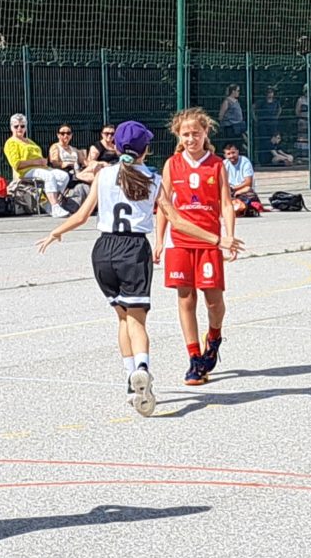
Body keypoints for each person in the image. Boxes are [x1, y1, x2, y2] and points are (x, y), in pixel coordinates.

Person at [35, 122, 240, 416]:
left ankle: (131, 378)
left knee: (122, 318)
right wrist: (217, 239)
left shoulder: (103, 175)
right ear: (146, 150)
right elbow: (177, 221)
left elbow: (81, 215)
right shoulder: (153, 180)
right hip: (133, 250)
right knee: (137, 320)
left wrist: (56, 233)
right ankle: (142, 367)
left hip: (103, 251)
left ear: (116, 147)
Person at [155, 107, 240, 385]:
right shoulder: (172, 164)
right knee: (185, 298)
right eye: (185, 134)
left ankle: (214, 337)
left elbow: (226, 203)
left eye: (196, 133)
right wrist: (159, 240)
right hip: (180, 241)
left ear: (206, 133)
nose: (191, 139)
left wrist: (229, 236)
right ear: (178, 136)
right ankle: (194, 358)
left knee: (213, 300)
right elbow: (164, 206)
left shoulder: (216, 164)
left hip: (209, 240)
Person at [4, 113, 75, 218]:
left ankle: (50, 202)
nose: (19, 128)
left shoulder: (30, 141)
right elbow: (17, 164)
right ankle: (55, 207)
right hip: (25, 171)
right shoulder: (11, 143)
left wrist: (43, 162)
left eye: (22, 126)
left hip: (41, 168)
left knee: (63, 176)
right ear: (11, 127)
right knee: (48, 176)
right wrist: (37, 162)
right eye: (16, 126)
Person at [222, 140, 262, 215]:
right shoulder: (224, 164)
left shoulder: (245, 162)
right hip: (230, 191)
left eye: (233, 153)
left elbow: (248, 182)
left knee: (247, 190)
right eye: (228, 154)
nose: (231, 156)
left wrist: (234, 189)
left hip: (242, 191)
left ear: (238, 151)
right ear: (225, 155)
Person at [256, 88, 292, 165]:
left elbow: (279, 109)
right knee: (265, 140)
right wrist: (256, 119)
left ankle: (279, 159)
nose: (270, 94)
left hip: (273, 123)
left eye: (271, 92)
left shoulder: (276, 102)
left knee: (273, 139)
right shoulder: (261, 102)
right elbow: (253, 108)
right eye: (268, 92)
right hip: (263, 124)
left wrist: (276, 117)